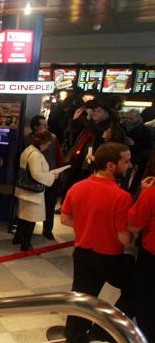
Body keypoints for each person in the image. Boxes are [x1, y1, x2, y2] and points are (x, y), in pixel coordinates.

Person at [61, 142, 135, 343]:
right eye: (126, 161)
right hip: (109, 258)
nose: (129, 165)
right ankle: (105, 331)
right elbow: (123, 237)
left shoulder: (77, 187)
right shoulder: (122, 197)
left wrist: (87, 227)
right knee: (137, 291)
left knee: (81, 300)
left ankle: (74, 338)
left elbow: (65, 219)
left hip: (82, 254)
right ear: (111, 165)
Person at [14, 131, 59, 251]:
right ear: (42, 142)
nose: (48, 146)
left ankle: (18, 238)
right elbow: (36, 175)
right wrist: (51, 177)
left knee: (23, 216)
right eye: (47, 143)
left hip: (24, 188)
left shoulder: (28, 150)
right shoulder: (36, 154)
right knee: (31, 218)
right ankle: (26, 244)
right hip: (32, 191)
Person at [128, 175, 155, 342]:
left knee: (147, 305)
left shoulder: (151, 194)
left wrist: (143, 193)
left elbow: (134, 225)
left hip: (151, 257)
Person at [29, 116, 64, 239]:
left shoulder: (52, 139)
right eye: (43, 125)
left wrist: (58, 172)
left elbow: (59, 157)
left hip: (51, 177)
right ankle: (28, 231)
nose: (47, 127)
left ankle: (47, 230)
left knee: (49, 205)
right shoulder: (29, 140)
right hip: (35, 178)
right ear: (35, 127)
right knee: (33, 205)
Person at [123, 109, 153, 193]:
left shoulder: (145, 130)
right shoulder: (123, 126)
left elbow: (148, 146)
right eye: (127, 118)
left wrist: (134, 143)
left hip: (136, 159)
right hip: (123, 156)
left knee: (131, 181)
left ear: (138, 118)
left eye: (131, 118)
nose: (128, 120)